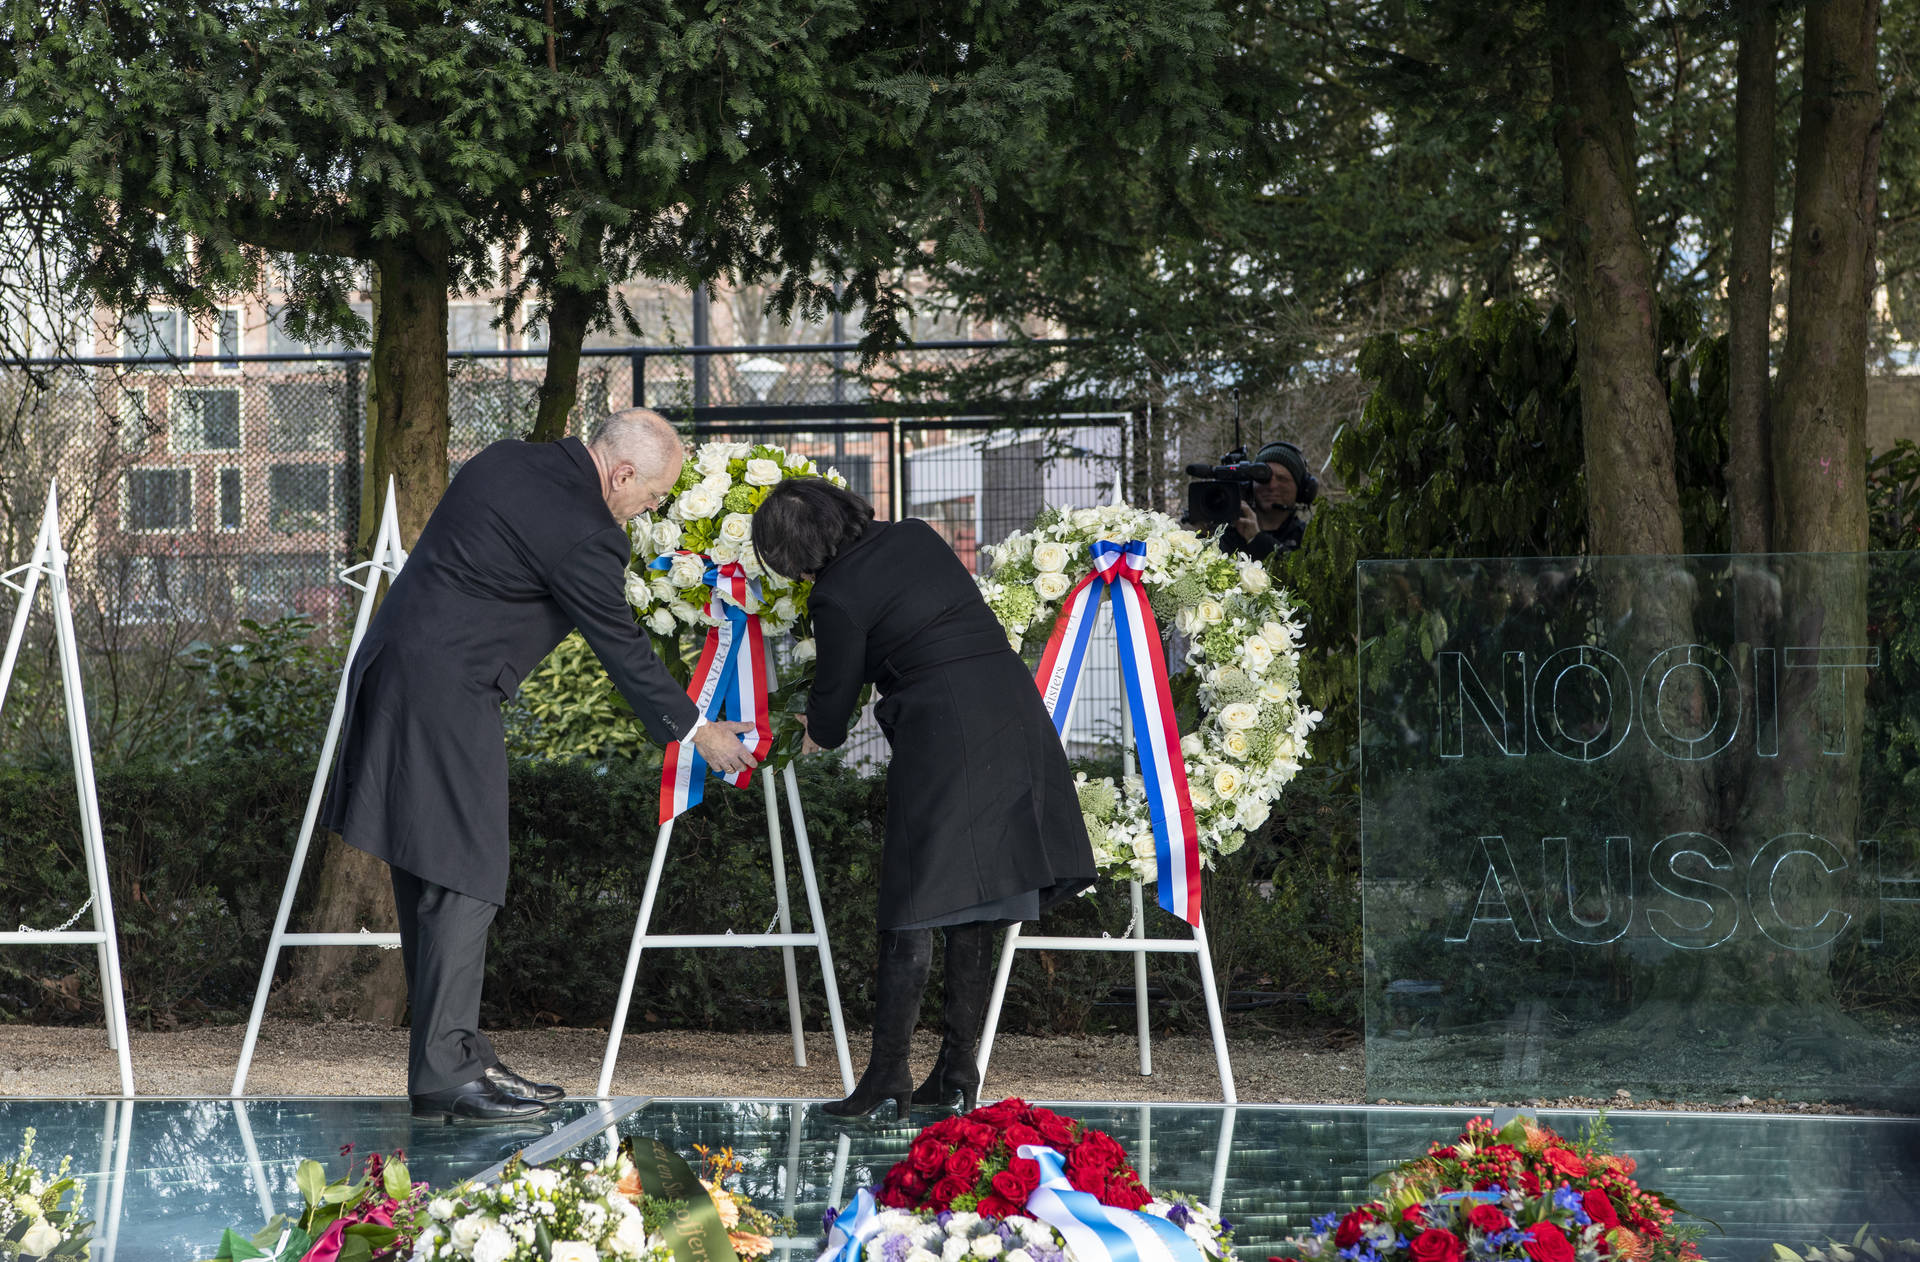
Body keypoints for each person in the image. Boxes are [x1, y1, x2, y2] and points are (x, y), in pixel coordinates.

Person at [321, 408, 760, 1122]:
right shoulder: (585, 532)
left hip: (393, 669)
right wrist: (698, 730)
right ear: (620, 474)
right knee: (468, 873)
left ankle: (454, 1057)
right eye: (649, 497)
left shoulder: (504, 459)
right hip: (446, 694)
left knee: (433, 869)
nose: (646, 510)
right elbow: (620, 646)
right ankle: (447, 1071)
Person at [753, 479, 1096, 1120]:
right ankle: (957, 1073)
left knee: (911, 901)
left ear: (794, 553)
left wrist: (805, 727)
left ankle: (887, 1078)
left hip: (946, 733)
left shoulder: (835, 593)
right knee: (978, 895)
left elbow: (830, 719)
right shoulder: (915, 534)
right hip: (1013, 712)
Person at [1221, 440, 1316, 561]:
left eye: (1282, 479)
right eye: (1263, 477)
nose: (1271, 486)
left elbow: (1299, 576)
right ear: (1251, 484)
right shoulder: (1228, 534)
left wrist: (1256, 539)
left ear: (1302, 489)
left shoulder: (1310, 539)